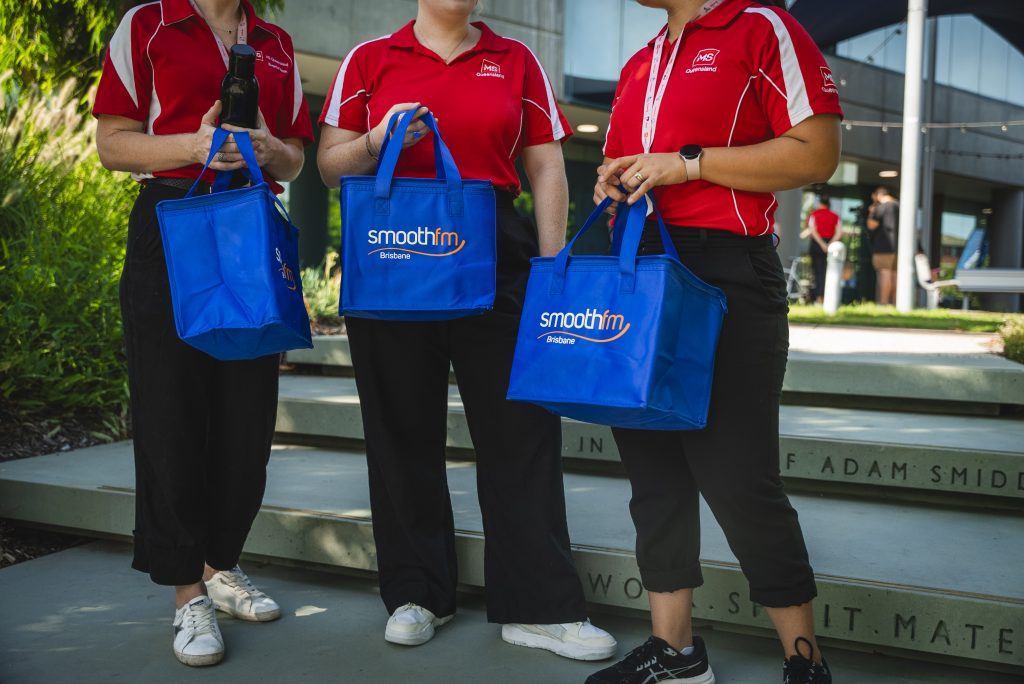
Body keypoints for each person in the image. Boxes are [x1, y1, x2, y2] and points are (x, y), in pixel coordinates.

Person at [316, 0, 617, 661]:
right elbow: (330, 165)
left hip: (498, 255)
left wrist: (549, 270)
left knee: (523, 432)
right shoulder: (369, 61)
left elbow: (544, 166)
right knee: (400, 432)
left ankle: (540, 606)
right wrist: (377, 141)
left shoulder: (517, 61)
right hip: (395, 255)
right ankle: (418, 593)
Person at [588, 0, 842, 682]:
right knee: (654, 476)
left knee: (737, 476)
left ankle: (804, 661)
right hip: (640, 271)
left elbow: (816, 153)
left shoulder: (760, 27)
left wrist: (688, 165)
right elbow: (636, 165)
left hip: (726, 270)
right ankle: (676, 653)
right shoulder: (641, 60)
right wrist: (615, 179)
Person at [94, 0, 312, 667]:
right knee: (171, 414)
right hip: (172, 221)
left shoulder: (275, 41)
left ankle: (221, 566)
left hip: (251, 219)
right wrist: (195, 145)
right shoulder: (148, 24)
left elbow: (298, 158)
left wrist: (273, 150)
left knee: (248, 420)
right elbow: (111, 143)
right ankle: (188, 592)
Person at [803, 196, 842, 303]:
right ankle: (824, 298)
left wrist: (822, 244)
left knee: (817, 271)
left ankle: (818, 297)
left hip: (817, 245)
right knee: (828, 272)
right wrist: (829, 244)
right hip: (831, 245)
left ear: (820, 203)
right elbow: (839, 232)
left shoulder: (814, 215)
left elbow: (812, 230)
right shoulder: (835, 216)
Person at [867, 186, 899, 305]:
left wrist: (871, 212)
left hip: (884, 246)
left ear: (878, 195)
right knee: (895, 275)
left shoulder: (881, 207)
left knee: (885, 273)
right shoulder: (900, 206)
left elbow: (871, 225)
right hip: (900, 248)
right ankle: (896, 304)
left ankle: (884, 303)